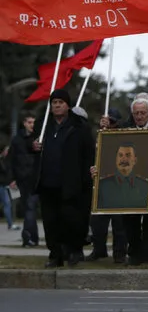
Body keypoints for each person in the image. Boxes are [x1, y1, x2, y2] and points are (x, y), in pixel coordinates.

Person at [96, 97, 148, 265]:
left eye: (143, 113)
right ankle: (135, 252)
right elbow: (108, 146)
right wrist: (105, 127)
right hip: (128, 185)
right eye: (136, 113)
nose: (139, 116)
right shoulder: (124, 129)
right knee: (130, 221)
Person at [33, 89, 95, 267]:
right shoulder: (44, 126)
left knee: (72, 220)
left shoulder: (80, 127)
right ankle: (55, 255)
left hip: (71, 184)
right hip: (48, 184)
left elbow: (88, 155)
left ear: (68, 105)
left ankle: (75, 251)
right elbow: (29, 147)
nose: (57, 105)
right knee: (51, 222)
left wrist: (86, 179)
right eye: (54, 103)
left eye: (61, 102)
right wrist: (33, 146)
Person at [87, 108, 127, 263]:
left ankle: (119, 253)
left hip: (118, 183)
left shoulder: (122, 135)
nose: (109, 124)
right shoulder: (99, 135)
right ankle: (98, 250)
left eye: (112, 121)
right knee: (97, 221)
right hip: (102, 183)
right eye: (107, 120)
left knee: (119, 223)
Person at [8, 113, 38, 244]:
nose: (32, 125)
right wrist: (12, 179)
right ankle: (32, 237)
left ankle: (28, 236)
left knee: (30, 206)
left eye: (33, 122)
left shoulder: (37, 138)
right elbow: (11, 160)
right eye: (30, 122)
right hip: (22, 178)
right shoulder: (17, 140)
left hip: (34, 177)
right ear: (25, 123)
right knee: (29, 207)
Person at [96, 143, 148, 209]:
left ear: (135, 160)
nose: (123, 159)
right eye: (120, 155)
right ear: (116, 159)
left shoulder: (146, 186)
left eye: (128, 155)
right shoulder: (102, 185)